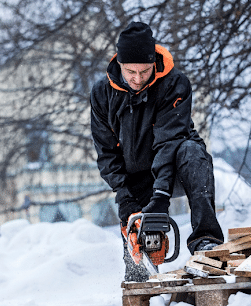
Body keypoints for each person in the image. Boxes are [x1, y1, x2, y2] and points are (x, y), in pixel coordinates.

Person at [90, 21, 224, 282]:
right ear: (119, 63)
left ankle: (205, 241)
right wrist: (124, 195)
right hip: (135, 175)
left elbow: (169, 141)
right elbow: (106, 152)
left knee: (192, 152)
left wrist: (161, 196)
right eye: (130, 72)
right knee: (138, 262)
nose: (137, 79)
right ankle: (139, 278)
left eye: (144, 71)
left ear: (154, 63)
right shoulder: (102, 94)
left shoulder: (174, 84)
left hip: (176, 167)